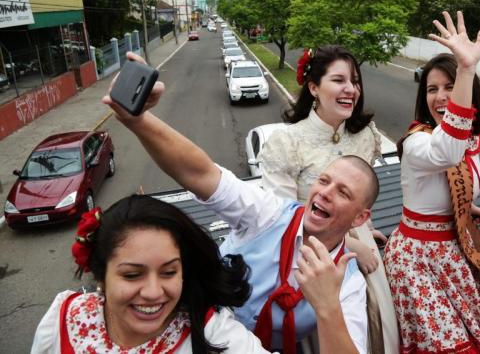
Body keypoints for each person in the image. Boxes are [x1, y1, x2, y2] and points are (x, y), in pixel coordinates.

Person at [102, 63, 375, 354]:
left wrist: (328, 306)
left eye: (343, 192)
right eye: (323, 180)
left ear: (361, 217)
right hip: (195, 332)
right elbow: (202, 174)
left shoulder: (347, 282)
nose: (325, 193)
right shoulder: (270, 213)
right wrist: (138, 121)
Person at [259, 45, 399, 353]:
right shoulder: (287, 142)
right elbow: (282, 220)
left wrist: (365, 228)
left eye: (355, 81)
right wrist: (352, 246)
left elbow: (360, 199)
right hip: (305, 254)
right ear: (313, 87)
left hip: (360, 246)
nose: (351, 89)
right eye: (339, 80)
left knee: (381, 328)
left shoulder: (365, 135)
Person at [384, 11, 480, 353]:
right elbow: (446, 154)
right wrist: (465, 69)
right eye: (432, 89)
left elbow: (453, 173)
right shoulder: (418, 142)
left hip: (452, 252)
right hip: (417, 261)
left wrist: (464, 207)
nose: (440, 97)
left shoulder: (469, 142)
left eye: (450, 87)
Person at [31, 195, 269, 353]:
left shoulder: (214, 334)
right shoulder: (62, 319)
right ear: (101, 275)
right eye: (132, 275)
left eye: (169, 272)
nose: (154, 292)